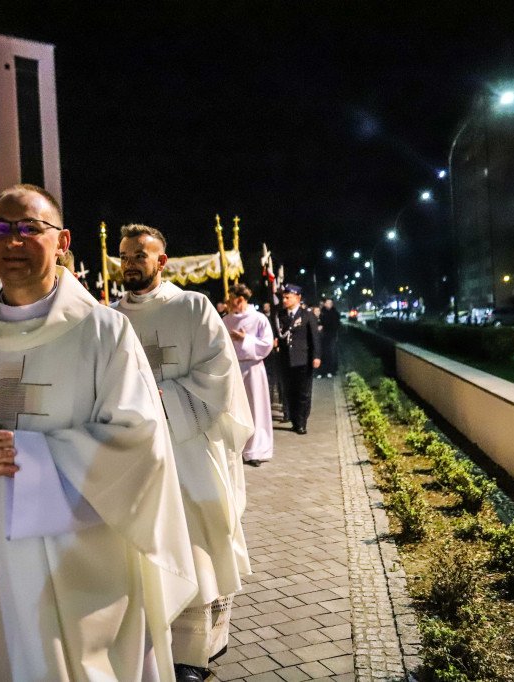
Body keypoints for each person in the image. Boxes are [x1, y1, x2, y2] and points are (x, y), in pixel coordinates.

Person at [0, 184, 197, 681]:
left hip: (79, 552)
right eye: (0, 229)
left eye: (29, 229)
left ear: (62, 240)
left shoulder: (104, 332)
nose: (12, 241)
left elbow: (139, 438)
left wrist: (33, 456)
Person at [114, 224, 254, 682]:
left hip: (188, 446)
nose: (131, 261)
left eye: (141, 254)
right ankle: (147, 647)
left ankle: (192, 654)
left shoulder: (194, 308)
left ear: (162, 262)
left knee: (195, 547)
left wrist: (160, 397)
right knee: (139, 548)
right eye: (125, 254)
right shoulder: (110, 320)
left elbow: (219, 374)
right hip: (134, 454)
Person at [223, 284, 274, 467]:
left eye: (232, 299)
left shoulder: (259, 318)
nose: (229, 303)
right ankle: (238, 448)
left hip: (253, 367)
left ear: (241, 299)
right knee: (235, 409)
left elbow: (267, 344)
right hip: (234, 368)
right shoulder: (226, 320)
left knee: (256, 409)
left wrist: (246, 339)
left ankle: (256, 451)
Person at [275, 284, 321, 435]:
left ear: (298, 298)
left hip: (303, 359)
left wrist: (316, 356)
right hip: (285, 359)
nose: (285, 300)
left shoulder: (307, 315)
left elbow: (314, 338)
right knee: (289, 392)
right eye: (284, 297)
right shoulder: (280, 315)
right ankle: (294, 420)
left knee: (303, 393)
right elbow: (279, 336)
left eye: (288, 297)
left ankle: (301, 422)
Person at [318, 298, 342, 378]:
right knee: (323, 354)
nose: (329, 304)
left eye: (330, 303)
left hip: (331, 336)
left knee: (331, 353)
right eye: (327, 303)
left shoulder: (335, 313)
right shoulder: (321, 312)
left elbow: (336, 324)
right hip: (322, 337)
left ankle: (331, 370)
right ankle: (322, 371)